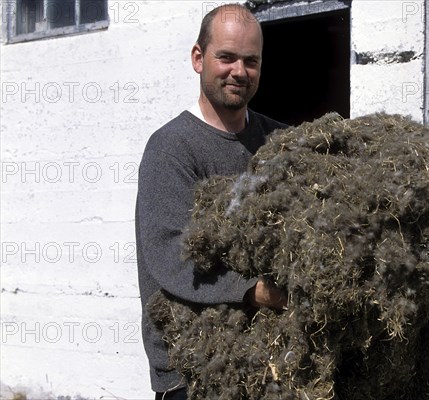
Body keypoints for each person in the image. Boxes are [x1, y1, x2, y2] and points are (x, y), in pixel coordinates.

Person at [135, 4, 288, 399]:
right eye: (227, 57)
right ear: (198, 58)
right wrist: (253, 291)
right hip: (195, 369)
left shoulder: (282, 143)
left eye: (250, 61)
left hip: (271, 364)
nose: (239, 71)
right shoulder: (171, 148)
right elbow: (170, 255)